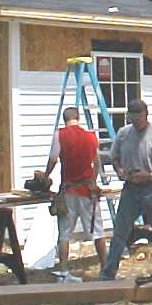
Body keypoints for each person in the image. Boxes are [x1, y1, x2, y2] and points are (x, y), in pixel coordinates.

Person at [99, 99, 152, 289]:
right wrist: (120, 170)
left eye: (138, 117)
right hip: (130, 188)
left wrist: (151, 175)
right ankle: (108, 274)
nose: (135, 120)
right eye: (132, 117)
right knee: (120, 232)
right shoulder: (123, 134)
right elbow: (114, 158)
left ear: (146, 114)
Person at [43, 107, 106, 283]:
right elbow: (97, 164)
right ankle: (106, 268)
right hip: (87, 191)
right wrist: (93, 182)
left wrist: (45, 176)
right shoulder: (91, 137)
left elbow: (53, 159)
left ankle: (64, 272)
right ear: (78, 118)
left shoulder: (60, 135)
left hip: (69, 191)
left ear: (65, 120)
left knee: (64, 233)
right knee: (97, 231)